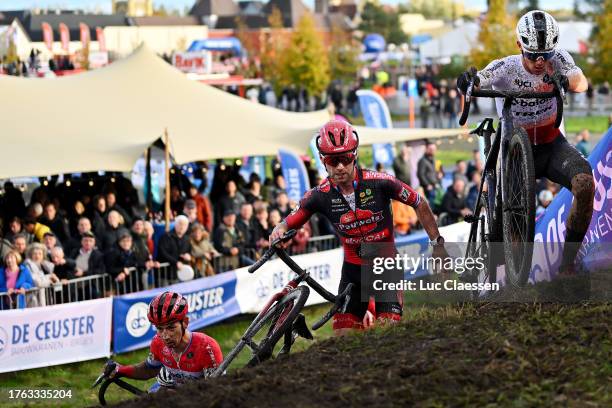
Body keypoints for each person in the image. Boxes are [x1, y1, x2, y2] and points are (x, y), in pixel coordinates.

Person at [270, 119, 446, 333]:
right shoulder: (319, 195)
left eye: (345, 158)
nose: (340, 166)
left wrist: (437, 244)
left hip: (386, 267)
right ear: (323, 161)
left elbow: (419, 202)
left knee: (386, 335)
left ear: (354, 156)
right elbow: (287, 222)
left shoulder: (380, 182)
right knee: (342, 339)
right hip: (353, 272)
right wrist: (277, 231)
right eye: (333, 161)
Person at [457, 10, 594, 274]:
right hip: (513, 152)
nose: (540, 62)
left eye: (546, 55)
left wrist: (566, 79)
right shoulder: (506, 66)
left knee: (585, 184)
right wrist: (468, 81)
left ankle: (568, 263)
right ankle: (494, 271)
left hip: (551, 144)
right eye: (532, 55)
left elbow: (582, 81)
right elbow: (479, 79)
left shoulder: (560, 59)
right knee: (507, 233)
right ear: (519, 45)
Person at [108, 291, 223, 392]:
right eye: (159, 328)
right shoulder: (158, 342)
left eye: (171, 328)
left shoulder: (207, 348)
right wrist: (120, 370)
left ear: (185, 323)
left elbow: (215, 391)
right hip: (168, 390)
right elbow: (149, 370)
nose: (165, 336)